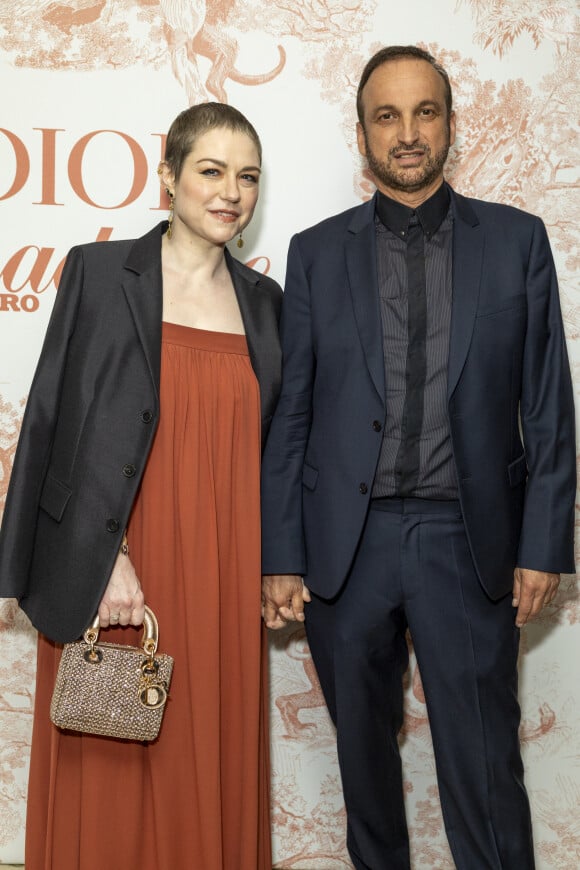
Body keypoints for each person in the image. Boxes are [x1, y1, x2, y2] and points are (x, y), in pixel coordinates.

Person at [260, 45, 575, 869]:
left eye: (424, 112)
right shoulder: (315, 252)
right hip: (346, 548)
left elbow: (545, 404)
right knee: (364, 767)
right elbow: (291, 417)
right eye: (387, 116)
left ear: (449, 125)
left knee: (484, 767)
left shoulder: (515, 242)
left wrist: (544, 543)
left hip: (466, 544)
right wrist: (283, 553)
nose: (407, 133)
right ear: (362, 131)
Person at [0, 102, 282, 870]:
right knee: (113, 768)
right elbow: (55, 420)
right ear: (168, 177)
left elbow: (279, 452)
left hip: (223, 572)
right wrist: (106, 558)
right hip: (117, 568)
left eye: (247, 176)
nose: (230, 192)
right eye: (211, 171)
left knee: (206, 753)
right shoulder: (97, 273)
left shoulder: (268, 307)